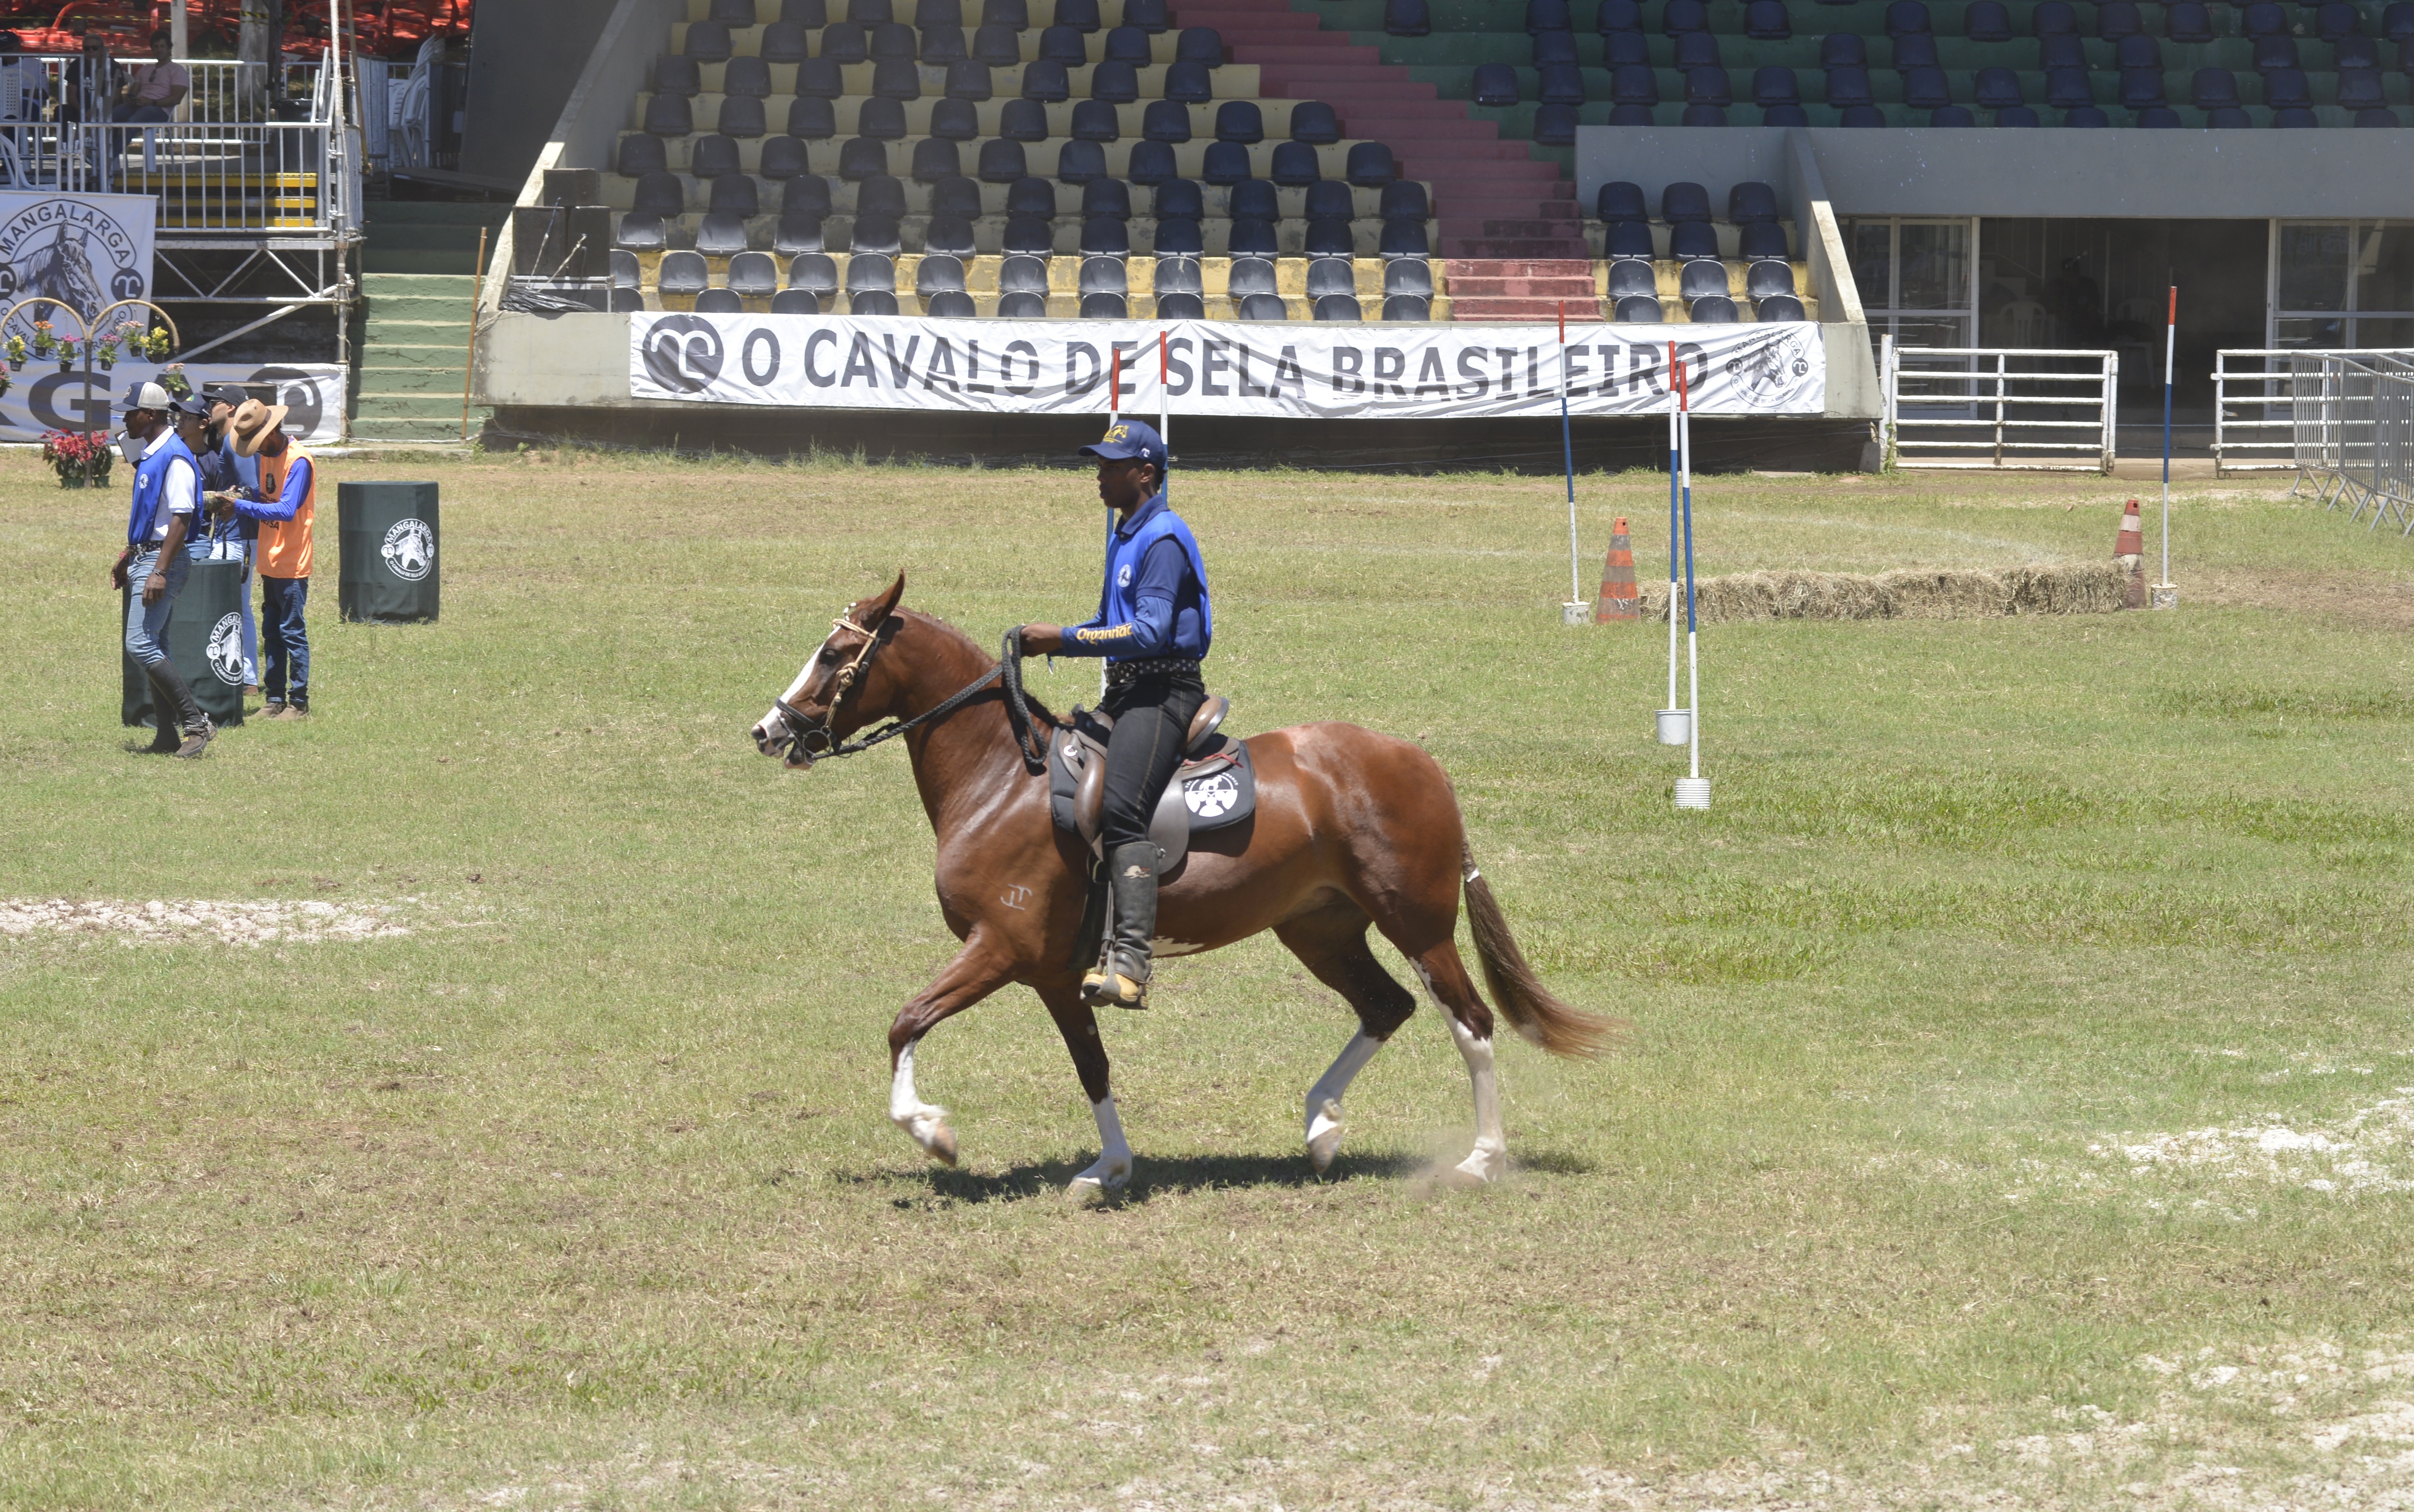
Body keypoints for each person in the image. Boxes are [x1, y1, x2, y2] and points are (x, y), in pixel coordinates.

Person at [1016, 419, 1213, 1010]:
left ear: (1145, 473)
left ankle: (1130, 962)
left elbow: (1149, 631)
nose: (1099, 474)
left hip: (1163, 693)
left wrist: (1064, 638)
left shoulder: (1164, 538)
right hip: (1126, 693)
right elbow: (1113, 622)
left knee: (1122, 808)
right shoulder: (1125, 533)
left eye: (1111, 465)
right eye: (1098, 464)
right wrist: (1066, 636)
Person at [113, 381, 213, 757]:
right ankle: (168, 736)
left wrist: (158, 570)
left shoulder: (174, 457)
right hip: (146, 556)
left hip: (162, 561)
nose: (125, 419)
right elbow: (152, 516)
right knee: (156, 645)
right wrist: (129, 557)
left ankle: (196, 725)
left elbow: (182, 520)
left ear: (149, 414)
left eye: (130, 411)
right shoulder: (155, 454)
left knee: (140, 644)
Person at [210, 398, 314, 719]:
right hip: (271, 560)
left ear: (270, 433)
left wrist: (239, 507)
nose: (253, 450)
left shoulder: (299, 461)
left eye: (255, 442)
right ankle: (275, 699)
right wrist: (239, 497)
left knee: (292, 631)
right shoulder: (269, 456)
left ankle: (298, 701)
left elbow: (286, 509)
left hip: (293, 561)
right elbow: (264, 496)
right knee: (271, 632)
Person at [195, 390, 261, 697]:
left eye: (215, 402)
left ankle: (246, 677)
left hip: (239, 536)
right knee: (234, 605)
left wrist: (222, 498)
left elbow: (254, 491)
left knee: (235, 605)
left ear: (231, 407)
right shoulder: (231, 441)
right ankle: (240, 673)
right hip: (232, 533)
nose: (210, 407)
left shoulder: (238, 442)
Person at [112, 28, 186, 123]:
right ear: (152, 49)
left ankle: (122, 138)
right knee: (112, 116)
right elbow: (134, 91)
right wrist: (131, 98)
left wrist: (152, 102)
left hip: (159, 109)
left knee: (132, 122)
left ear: (169, 49)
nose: (159, 50)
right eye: (156, 47)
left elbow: (176, 99)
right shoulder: (145, 69)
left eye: (162, 46)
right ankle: (108, 138)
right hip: (138, 105)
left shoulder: (178, 70)